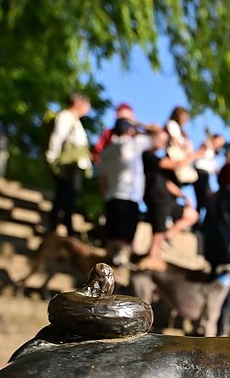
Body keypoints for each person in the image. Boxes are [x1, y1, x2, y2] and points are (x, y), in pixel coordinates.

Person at [141, 126, 202, 263]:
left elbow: (168, 183)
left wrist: (184, 196)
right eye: (161, 140)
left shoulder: (157, 161)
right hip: (156, 198)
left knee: (191, 215)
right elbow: (176, 165)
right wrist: (195, 155)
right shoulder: (147, 156)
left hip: (167, 200)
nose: (163, 144)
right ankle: (149, 264)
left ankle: (166, 238)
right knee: (157, 236)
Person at [98, 118, 151, 265]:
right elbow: (159, 136)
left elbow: (102, 180)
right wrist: (138, 123)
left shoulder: (106, 152)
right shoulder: (134, 144)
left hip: (111, 197)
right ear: (130, 130)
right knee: (125, 242)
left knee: (111, 239)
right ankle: (118, 278)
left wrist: (105, 197)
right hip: (129, 197)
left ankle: (103, 277)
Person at [44, 92, 92, 234]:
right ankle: (55, 227)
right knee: (63, 196)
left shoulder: (75, 121)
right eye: (87, 105)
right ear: (78, 103)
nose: (88, 108)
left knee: (68, 198)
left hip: (73, 166)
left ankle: (65, 227)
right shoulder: (66, 116)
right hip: (66, 165)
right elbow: (57, 137)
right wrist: (52, 158)